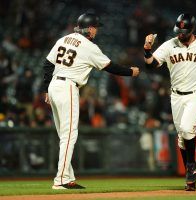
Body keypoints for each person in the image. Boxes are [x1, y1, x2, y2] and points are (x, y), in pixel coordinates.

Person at [43, 12, 140, 189]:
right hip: (68, 87)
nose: (96, 31)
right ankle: (61, 180)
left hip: (54, 86)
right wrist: (130, 72)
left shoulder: (64, 39)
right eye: (95, 28)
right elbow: (110, 67)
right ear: (88, 29)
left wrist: (46, 90)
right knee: (69, 135)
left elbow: (48, 64)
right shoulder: (88, 46)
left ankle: (67, 176)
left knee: (63, 135)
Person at [143, 13, 196, 191]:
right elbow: (151, 65)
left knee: (188, 128)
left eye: (184, 30)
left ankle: (190, 167)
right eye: (178, 30)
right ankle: (190, 176)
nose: (180, 33)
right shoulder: (169, 45)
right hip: (176, 96)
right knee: (182, 137)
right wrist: (147, 50)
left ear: (192, 29)